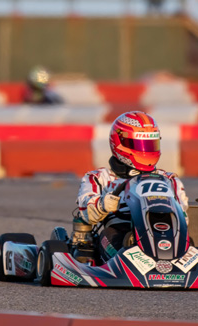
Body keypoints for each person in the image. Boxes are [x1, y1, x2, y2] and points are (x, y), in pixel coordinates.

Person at [74, 111, 189, 262]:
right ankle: (129, 264)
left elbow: (183, 218)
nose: (146, 150)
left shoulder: (168, 179)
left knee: (189, 243)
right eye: (140, 145)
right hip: (120, 231)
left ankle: (170, 260)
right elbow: (86, 211)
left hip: (164, 233)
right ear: (119, 143)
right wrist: (102, 205)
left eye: (150, 145)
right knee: (111, 237)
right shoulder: (100, 178)